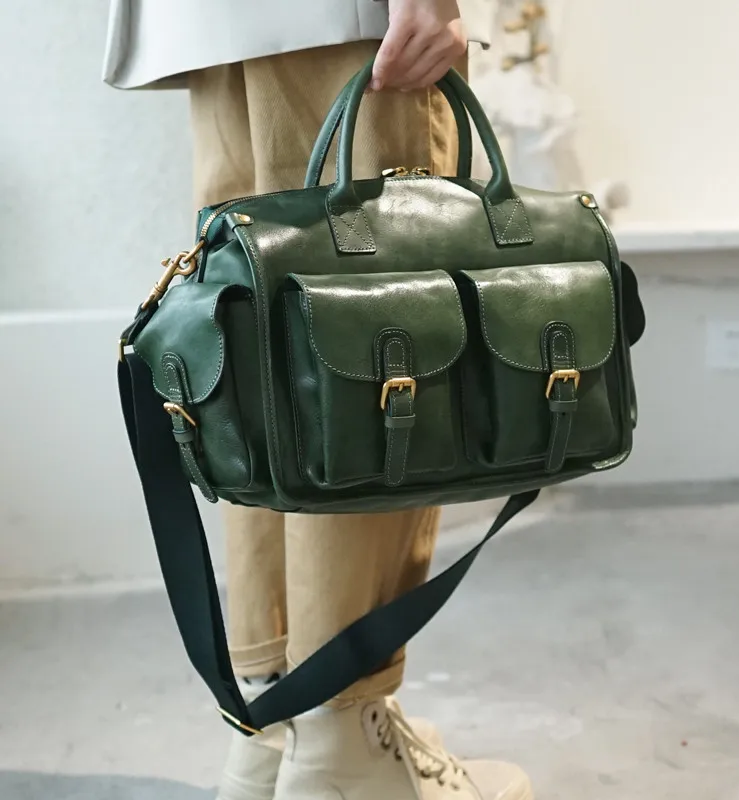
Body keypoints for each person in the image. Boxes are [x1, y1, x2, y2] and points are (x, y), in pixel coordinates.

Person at [103, 2, 533, 799]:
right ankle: (342, 739)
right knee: (382, 336)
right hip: (346, 16)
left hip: (214, 25)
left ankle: (274, 727)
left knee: (263, 347)